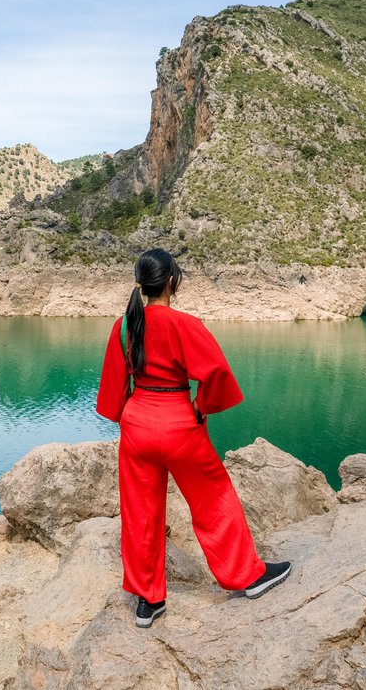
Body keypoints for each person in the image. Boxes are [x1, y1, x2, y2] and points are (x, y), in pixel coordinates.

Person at [96, 247, 291, 628]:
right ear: (172, 281)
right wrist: (201, 407)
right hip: (177, 422)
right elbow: (216, 372)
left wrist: (130, 417)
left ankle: (148, 601)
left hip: (137, 425)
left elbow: (112, 391)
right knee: (212, 498)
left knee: (141, 513)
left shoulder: (124, 325)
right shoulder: (185, 324)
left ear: (143, 285)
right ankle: (246, 576)